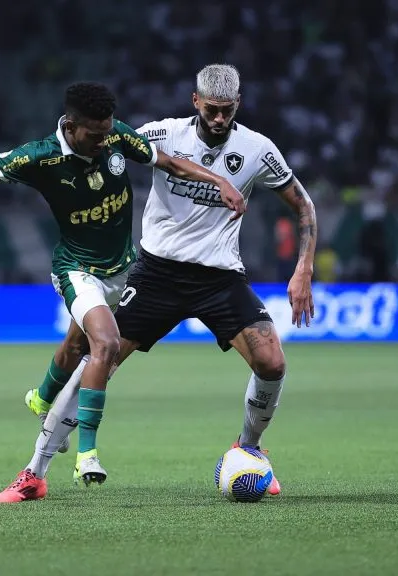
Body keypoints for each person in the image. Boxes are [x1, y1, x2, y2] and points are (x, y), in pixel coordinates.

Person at [0, 81, 244, 503]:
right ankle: (87, 453)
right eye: (94, 135)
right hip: (77, 270)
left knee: (76, 345)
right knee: (105, 344)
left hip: (126, 270)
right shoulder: (40, 156)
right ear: (71, 127)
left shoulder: (113, 135)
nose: (102, 140)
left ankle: (41, 397)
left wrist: (219, 180)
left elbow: (168, 162)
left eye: (107, 131)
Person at [17, 64, 316, 503]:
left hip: (219, 277)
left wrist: (303, 267)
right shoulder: (160, 135)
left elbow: (303, 205)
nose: (219, 119)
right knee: (100, 359)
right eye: (211, 109)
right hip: (155, 272)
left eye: (227, 111)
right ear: (195, 101)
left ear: (238, 105)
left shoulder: (257, 149)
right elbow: (93, 149)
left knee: (272, 362)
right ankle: (34, 472)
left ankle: (248, 448)